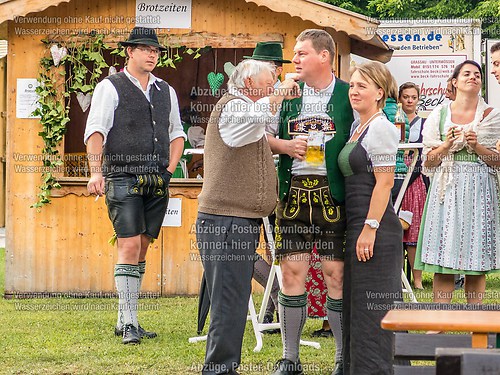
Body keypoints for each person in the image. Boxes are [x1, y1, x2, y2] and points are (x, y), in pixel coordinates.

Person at [196, 59, 299, 375]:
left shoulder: (245, 109)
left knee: (233, 300)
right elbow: (252, 119)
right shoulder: (233, 107)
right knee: (229, 303)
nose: (274, 85)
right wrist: (279, 93)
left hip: (234, 221)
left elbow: (260, 123)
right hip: (225, 222)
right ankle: (219, 370)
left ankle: (223, 367)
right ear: (250, 83)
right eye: (269, 80)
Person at [84, 27, 186, 344]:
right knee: (127, 246)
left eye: (155, 50)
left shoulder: (165, 90)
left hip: (156, 180)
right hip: (122, 176)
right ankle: (130, 322)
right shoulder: (109, 87)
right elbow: (95, 131)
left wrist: (169, 171)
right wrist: (96, 172)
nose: (152, 54)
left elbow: (177, 134)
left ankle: (124, 319)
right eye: (144, 49)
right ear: (129, 52)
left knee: (141, 248)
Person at [267, 29, 354, 375]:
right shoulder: (287, 94)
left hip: (333, 194)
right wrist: (286, 146)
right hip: (294, 192)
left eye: (302, 53)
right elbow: (260, 135)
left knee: (335, 275)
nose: (295, 60)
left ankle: (342, 360)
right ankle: (290, 358)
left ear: (324, 56)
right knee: (291, 272)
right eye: (295, 54)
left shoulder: (349, 93)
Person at [414, 60, 500, 305]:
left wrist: (476, 146)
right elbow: (428, 162)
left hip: (480, 190)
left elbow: (498, 162)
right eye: (466, 74)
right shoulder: (439, 115)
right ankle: (439, 322)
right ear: (454, 81)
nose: (473, 77)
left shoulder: (492, 116)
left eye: (477, 74)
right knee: (444, 260)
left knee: (477, 261)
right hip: (447, 190)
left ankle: (476, 324)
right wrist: (446, 145)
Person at [338, 61, 403, 374]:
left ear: (380, 92)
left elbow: (385, 182)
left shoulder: (382, 128)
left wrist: (370, 228)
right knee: (358, 310)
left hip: (375, 230)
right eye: (352, 85)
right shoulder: (356, 127)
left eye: (362, 86)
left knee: (374, 311)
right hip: (356, 227)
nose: (354, 91)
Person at [244, 41, 292, 328]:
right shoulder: (247, 99)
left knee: (278, 244)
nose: (273, 72)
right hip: (254, 179)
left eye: (275, 67)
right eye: (268, 67)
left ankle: (280, 303)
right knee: (245, 245)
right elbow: (259, 139)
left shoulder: (285, 95)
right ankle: (275, 295)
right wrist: (286, 146)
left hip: (280, 179)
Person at [398, 82, 427, 289]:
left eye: (413, 97)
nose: (409, 100)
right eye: (405, 96)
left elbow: (424, 154)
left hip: (415, 181)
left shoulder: (424, 123)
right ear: (400, 98)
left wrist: (413, 175)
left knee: (414, 234)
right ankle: (396, 280)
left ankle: (417, 281)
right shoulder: (394, 120)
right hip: (395, 179)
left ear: (418, 99)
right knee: (395, 232)